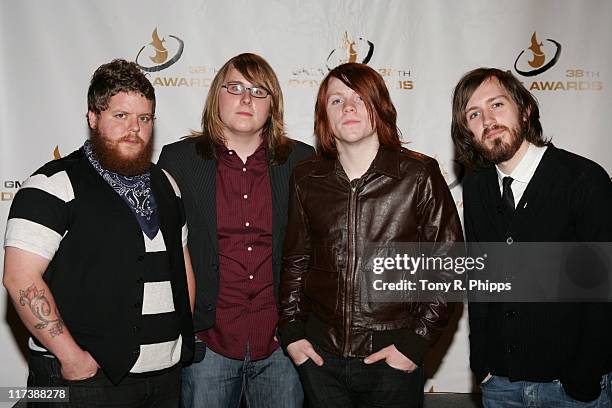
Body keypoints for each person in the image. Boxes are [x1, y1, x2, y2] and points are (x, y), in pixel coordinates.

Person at [2, 59, 195, 407]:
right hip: (85, 379)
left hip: (165, 376)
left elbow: (181, 268)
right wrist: (72, 358)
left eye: (144, 118)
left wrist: (179, 339)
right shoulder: (52, 185)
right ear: (93, 118)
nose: (134, 128)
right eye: (120, 115)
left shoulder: (167, 185)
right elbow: (19, 278)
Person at [279, 62, 463, 408]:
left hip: (393, 360)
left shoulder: (418, 174)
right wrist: (291, 334)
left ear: (379, 107)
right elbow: (296, 260)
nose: (348, 107)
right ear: (324, 117)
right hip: (320, 360)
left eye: (359, 98)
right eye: (336, 100)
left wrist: (415, 344)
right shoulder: (306, 178)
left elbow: (449, 265)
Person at [158, 52, 313, 408]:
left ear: (272, 106)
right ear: (217, 96)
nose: (246, 98)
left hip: (281, 347)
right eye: (236, 87)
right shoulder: (177, 161)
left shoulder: (302, 163)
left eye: (259, 91)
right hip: (207, 344)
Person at [451, 67, 612, 407]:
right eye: (474, 114)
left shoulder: (584, 180)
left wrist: (583, 376)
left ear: (524, 111)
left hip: (571, 388)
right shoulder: (477, 186)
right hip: (501, 385)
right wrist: (483, 364)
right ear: (467, 129)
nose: (488, 120)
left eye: (497, 105)